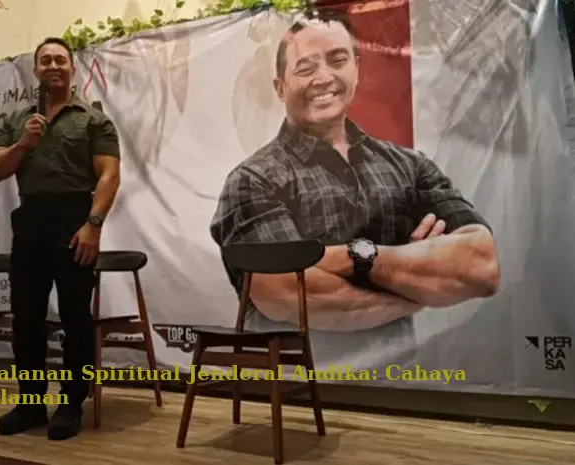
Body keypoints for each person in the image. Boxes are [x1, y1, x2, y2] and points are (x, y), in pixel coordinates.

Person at [209, 12, 500, 366]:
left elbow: (482, 268)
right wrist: (417, 283)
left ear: (357, 69)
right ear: (280, 88)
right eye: (305, 68)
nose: (324, 77)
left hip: (400, 381)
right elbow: (286, 295)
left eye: (337, 60)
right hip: (294, 385)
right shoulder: (253, 179)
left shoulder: (410, 167)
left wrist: (355, 257)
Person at [0, 37, 121, 440]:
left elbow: (110, 175)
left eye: (60, 60)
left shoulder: (93, 120)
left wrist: (93, 224)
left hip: (75, 221)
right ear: (37, 70)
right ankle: (30, 405)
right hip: (30, 222)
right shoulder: (17, 119)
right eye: (45, 61)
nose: (53, 66)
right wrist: (24, 143)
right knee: (26, 318)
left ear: (72, 69)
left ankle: (71, 404)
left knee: (76, 318)